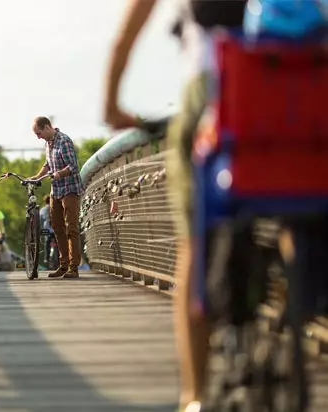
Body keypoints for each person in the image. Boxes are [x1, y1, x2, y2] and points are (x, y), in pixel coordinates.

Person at [103, 0, 246, 410]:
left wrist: (112, 105)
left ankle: (195, 395)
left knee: (194, 243)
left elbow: (123, 39)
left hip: (215, 87)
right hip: (296, 84)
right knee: (292, 205)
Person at [28, 116, 84, 279]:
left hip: (69, 190)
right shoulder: (48, 143)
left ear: (46, 127)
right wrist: (37, 176)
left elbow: (73, 166)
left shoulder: (64, 141)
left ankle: (74, 267)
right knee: (57, 228)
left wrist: (59, 173)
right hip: (56, 191)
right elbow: (48, 164)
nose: (38, 137)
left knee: (71, 228)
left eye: (39, 133)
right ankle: (63, 265)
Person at [39, 194, 56, 268]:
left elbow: (41, 219)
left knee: (47, 243)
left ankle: (46, 258)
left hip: (47, 229)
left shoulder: (43, 209)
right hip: (55, 229)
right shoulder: (55, 207)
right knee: (58, 243)